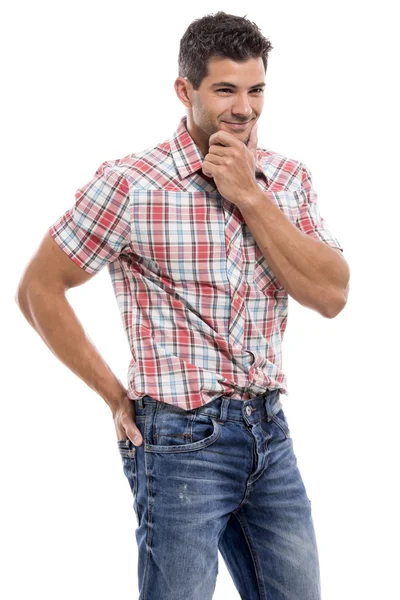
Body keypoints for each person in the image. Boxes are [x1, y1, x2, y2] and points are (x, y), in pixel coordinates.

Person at [15, 11, 350, 600]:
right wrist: (116, 396)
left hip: (270, 433)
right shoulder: (132, 183)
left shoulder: (288, 179)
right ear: (185, 90)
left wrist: (249, 194)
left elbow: (331, 295)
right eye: (225, 90)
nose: (244, 108)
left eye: (256, 89)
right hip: (177, 443)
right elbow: (39, 289)